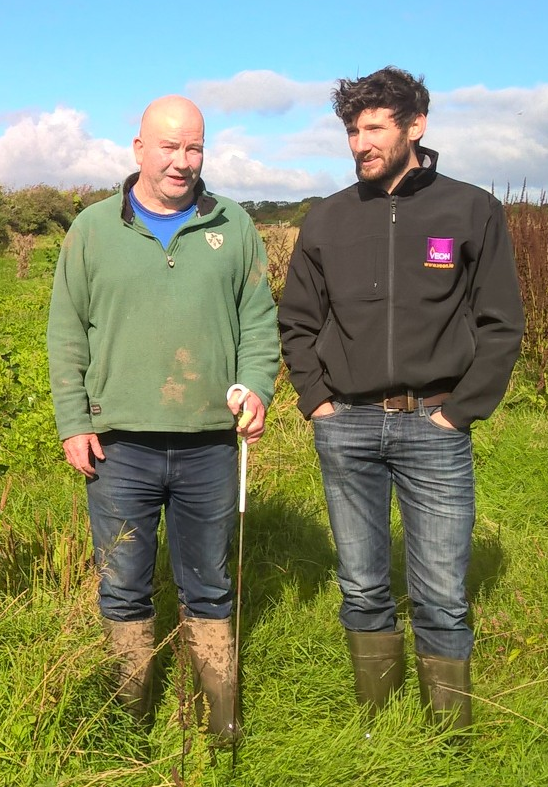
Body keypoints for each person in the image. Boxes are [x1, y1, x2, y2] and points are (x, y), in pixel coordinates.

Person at [278, 66, 525, 731]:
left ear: (416, 125)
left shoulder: (470, 209)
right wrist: (316, 401)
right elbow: (296, 320)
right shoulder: (327, 217)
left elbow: (501, 323)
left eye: (373, 128)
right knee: (361, 584)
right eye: (351, 131)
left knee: (441, 593)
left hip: (434, 425)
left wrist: (457, 412)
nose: (359, 143)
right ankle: (376, 727)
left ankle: (448, 737)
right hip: (347, 426)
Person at [47, 95, 279, 744]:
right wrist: (73, 420)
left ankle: (220, 721)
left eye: (194, 147)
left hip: (210, 445)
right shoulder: (93, 229)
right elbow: (66, 332)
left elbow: (259, 323)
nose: (182, 161)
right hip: (118, 446)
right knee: (123, 587)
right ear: (139, 149)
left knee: (209, 585)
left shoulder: (233, 225)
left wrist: (258, 389)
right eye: (169, 146)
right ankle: (130, 721)